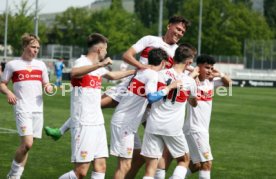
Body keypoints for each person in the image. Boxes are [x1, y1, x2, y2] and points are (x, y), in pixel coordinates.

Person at [44, 15, 191, 145]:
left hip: (150, 93)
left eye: (183, 32)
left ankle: (129, 151)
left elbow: (182, 69)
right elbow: (127, 55)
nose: (179, 33)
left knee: (155, 137)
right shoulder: (150, 39)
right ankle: (61, 131)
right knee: (95, 104)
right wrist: (142, 67)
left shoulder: (178, 52)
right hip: (132, 85)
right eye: (177, 29)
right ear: (168, 26)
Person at [58, 33, 135, 179]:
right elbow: (73, 73)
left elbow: (112, 76)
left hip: (98, 123)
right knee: (81, 172)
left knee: (101, 166)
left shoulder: (98, 68)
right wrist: (100, 64)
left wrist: (135, 71)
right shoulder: (81, 62)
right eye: (106, 49)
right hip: (83, 122)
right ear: (100, 49)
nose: (107, 53)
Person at [111, 48, 180, 179]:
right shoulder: (152, 75)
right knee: (124, 165)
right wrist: (170, 87)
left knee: (138, 156)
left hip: (126, 123)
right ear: (164, 63)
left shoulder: (144, 72)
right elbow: (152, 97)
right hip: (124, 124)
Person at [140, 44, 197, 179]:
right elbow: (194, 103)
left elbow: (151, 97)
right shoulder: (190, 81)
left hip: (153, 125)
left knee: (150, 169)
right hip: (173, 128)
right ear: (189, 62)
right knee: (184, 160)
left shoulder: (158, 75)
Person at [0, 33, 52, 179]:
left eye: (37, 48)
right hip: (22, 108)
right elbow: (2, 84)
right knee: (27, 144)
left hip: (38, 109)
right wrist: (9, 93)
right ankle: (12, 175)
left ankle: (16, 176)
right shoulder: (13, 65)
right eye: (33, 47)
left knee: (26, 147)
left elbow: (46, 83)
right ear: (24, 46)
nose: (36, 50)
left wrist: (48, 88)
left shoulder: (41, 65)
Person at [183, 54, 232, 179]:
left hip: (202, 129)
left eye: (211, 68)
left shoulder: (210, 82)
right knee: (207, 163)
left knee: (196, 165)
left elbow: (229, 84)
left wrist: (219, 73)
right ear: (198, 67)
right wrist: (193, 74)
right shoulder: (190, 80)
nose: (210, 70)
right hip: (195, 129)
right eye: (207, 67)